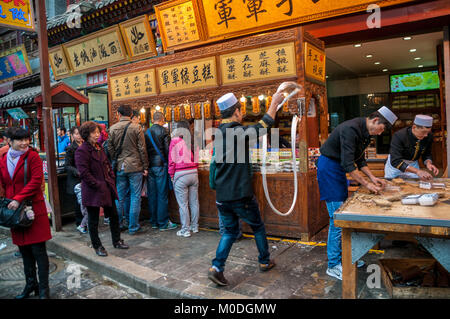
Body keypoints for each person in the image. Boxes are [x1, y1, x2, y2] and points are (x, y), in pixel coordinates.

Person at [207, 83, 298, 286]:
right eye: (241, 112)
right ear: (237, 112)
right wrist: (274, 102)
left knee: (229, 232)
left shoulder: (220, 132)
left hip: (222, 196)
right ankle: (265, 261)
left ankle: (217, 267)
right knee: (257, 226)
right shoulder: (236, 132)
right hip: (239, 195)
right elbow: (264, 126)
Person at [316, 106, 398, 281]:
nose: (379, 133)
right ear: (375, 121)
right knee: (336, 218)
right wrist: (367, 184)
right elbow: (348, 165)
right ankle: (333, 264)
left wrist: (373, 179)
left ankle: (345, 258)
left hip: (338, 168)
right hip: (329, 168)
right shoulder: (350, 128)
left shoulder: (365, 133)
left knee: (343, 214)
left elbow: (359, 160)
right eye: (381, 129)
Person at [0, 127, 52, 299]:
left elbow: (36, 181)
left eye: (26, 139)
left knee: (39, 251)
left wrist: (18, 198)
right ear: (10, 141)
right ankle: (31, 285)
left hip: (32, 209)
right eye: (20, 140)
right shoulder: (3, 159)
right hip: (14, 212)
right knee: (24, 251)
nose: (24, 143)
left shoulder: (33, 157)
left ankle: (44, 290)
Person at [75, 121, 129, 256]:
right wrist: (97, 184)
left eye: (98, 132)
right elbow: (84, 172)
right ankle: (97, 246)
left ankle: (117, 240)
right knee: (93, 220)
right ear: (87, 135)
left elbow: (107, 165)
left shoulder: (99, 147)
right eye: (94, 133)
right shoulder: (82, 151)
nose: (97, 135)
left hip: (107, 186)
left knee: (114, 215)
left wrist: (111, 176)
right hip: (93, 189)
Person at [108, 105, 148, 235]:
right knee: (135, 196)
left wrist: (117, 159)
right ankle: (133, 226)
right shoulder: (136, 128)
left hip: (120, 166)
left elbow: (110, 148)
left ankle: (119, 223)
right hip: (135, 166)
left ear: (119, 114)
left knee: (120, 196)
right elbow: (142, 149)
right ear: (131, 115)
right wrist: (145, 166)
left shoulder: (112, 128)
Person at [145, 111, 177, 231]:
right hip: (161, 166)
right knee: (162, 195)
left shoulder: (146, 132)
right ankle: (163, 223)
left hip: (150, 166)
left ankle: (154, 221)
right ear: (162, 119)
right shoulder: (164, 131)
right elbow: (168, 150)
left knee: (152, 194)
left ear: (153, 120)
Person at [168, 120, 199, 238]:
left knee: (183, 204)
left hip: (180, 174)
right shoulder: (193, 140)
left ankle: (185, 230)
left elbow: (172, 161)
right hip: (194, 173)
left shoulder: (175, 141)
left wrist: (171, 175)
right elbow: (197, 159)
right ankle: (194, 226)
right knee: (194, 202)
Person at [385, 114, 439, 181]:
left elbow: (427, 153)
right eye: (423, 132)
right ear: (414, 127)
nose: (426, 135)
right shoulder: (399, 136)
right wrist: (418, 171)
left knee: (414, 186)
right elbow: (395, 161)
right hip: (395, 165)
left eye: (428, 132)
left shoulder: (428, 136)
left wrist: (428, 163)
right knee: (392, 186)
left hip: (413, 164)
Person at [65, 126, 86, 233]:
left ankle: (85, 222)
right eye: (76, 134)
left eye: (80, 133)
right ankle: (79, 223)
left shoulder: (86, 145)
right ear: (72, 135)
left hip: (86, 177)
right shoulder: (70, 148)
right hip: (76, 179)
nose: (79, 136)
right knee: (79, 203)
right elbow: (67, 165)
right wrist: (77, 171)